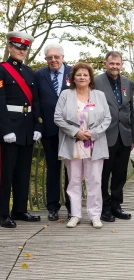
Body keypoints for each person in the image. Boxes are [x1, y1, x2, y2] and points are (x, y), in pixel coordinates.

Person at [54, 62, 111, 229]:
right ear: (73, 77)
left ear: (90, 78)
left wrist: (93, 133)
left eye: (85, 75)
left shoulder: (99, 95)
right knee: (74, 181)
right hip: (73, 143)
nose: (82, 77)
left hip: (94, 143)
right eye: (78, 75)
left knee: (94, 181)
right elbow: (57, 117)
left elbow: (107, 118)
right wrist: (75, 132)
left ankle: (95, 215)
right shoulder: (66, 94)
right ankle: (75, 214)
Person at [0, 31, 42, 228]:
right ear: (9, 47)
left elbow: (36, 101)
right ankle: (3, 213)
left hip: (26, 129)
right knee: (5, 173)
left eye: (24, 48)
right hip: (9, 129)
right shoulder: (2, 70)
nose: (21, 51)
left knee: (23, 172)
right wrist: (5, 129)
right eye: (18, 47)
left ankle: (19, 210)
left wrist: (37, 125)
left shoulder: (30, 73)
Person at [94, 51, 134, 222]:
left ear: (122, 64)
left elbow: (130, 111)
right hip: (105, 135)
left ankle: (116, 205)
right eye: (111, 63)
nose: (115, 67)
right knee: (104, 173)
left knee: (120, 173)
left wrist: (133, 137)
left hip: (124, 135)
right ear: (105, 64)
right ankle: (104, 207)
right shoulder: (96, 81)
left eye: (118, 64)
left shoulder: (128, 82)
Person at [35, 44, 71, 221]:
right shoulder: (39, 75)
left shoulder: (74, 72)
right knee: (53, 169)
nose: (53, 60)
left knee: (72, 170)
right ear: (46, 59)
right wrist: (38, 126)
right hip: (49, 130)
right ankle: (52, 207)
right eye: (50, 57)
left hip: (72, 132)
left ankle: (73, 206)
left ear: (63, 57)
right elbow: (35, 102)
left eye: (56, 57)